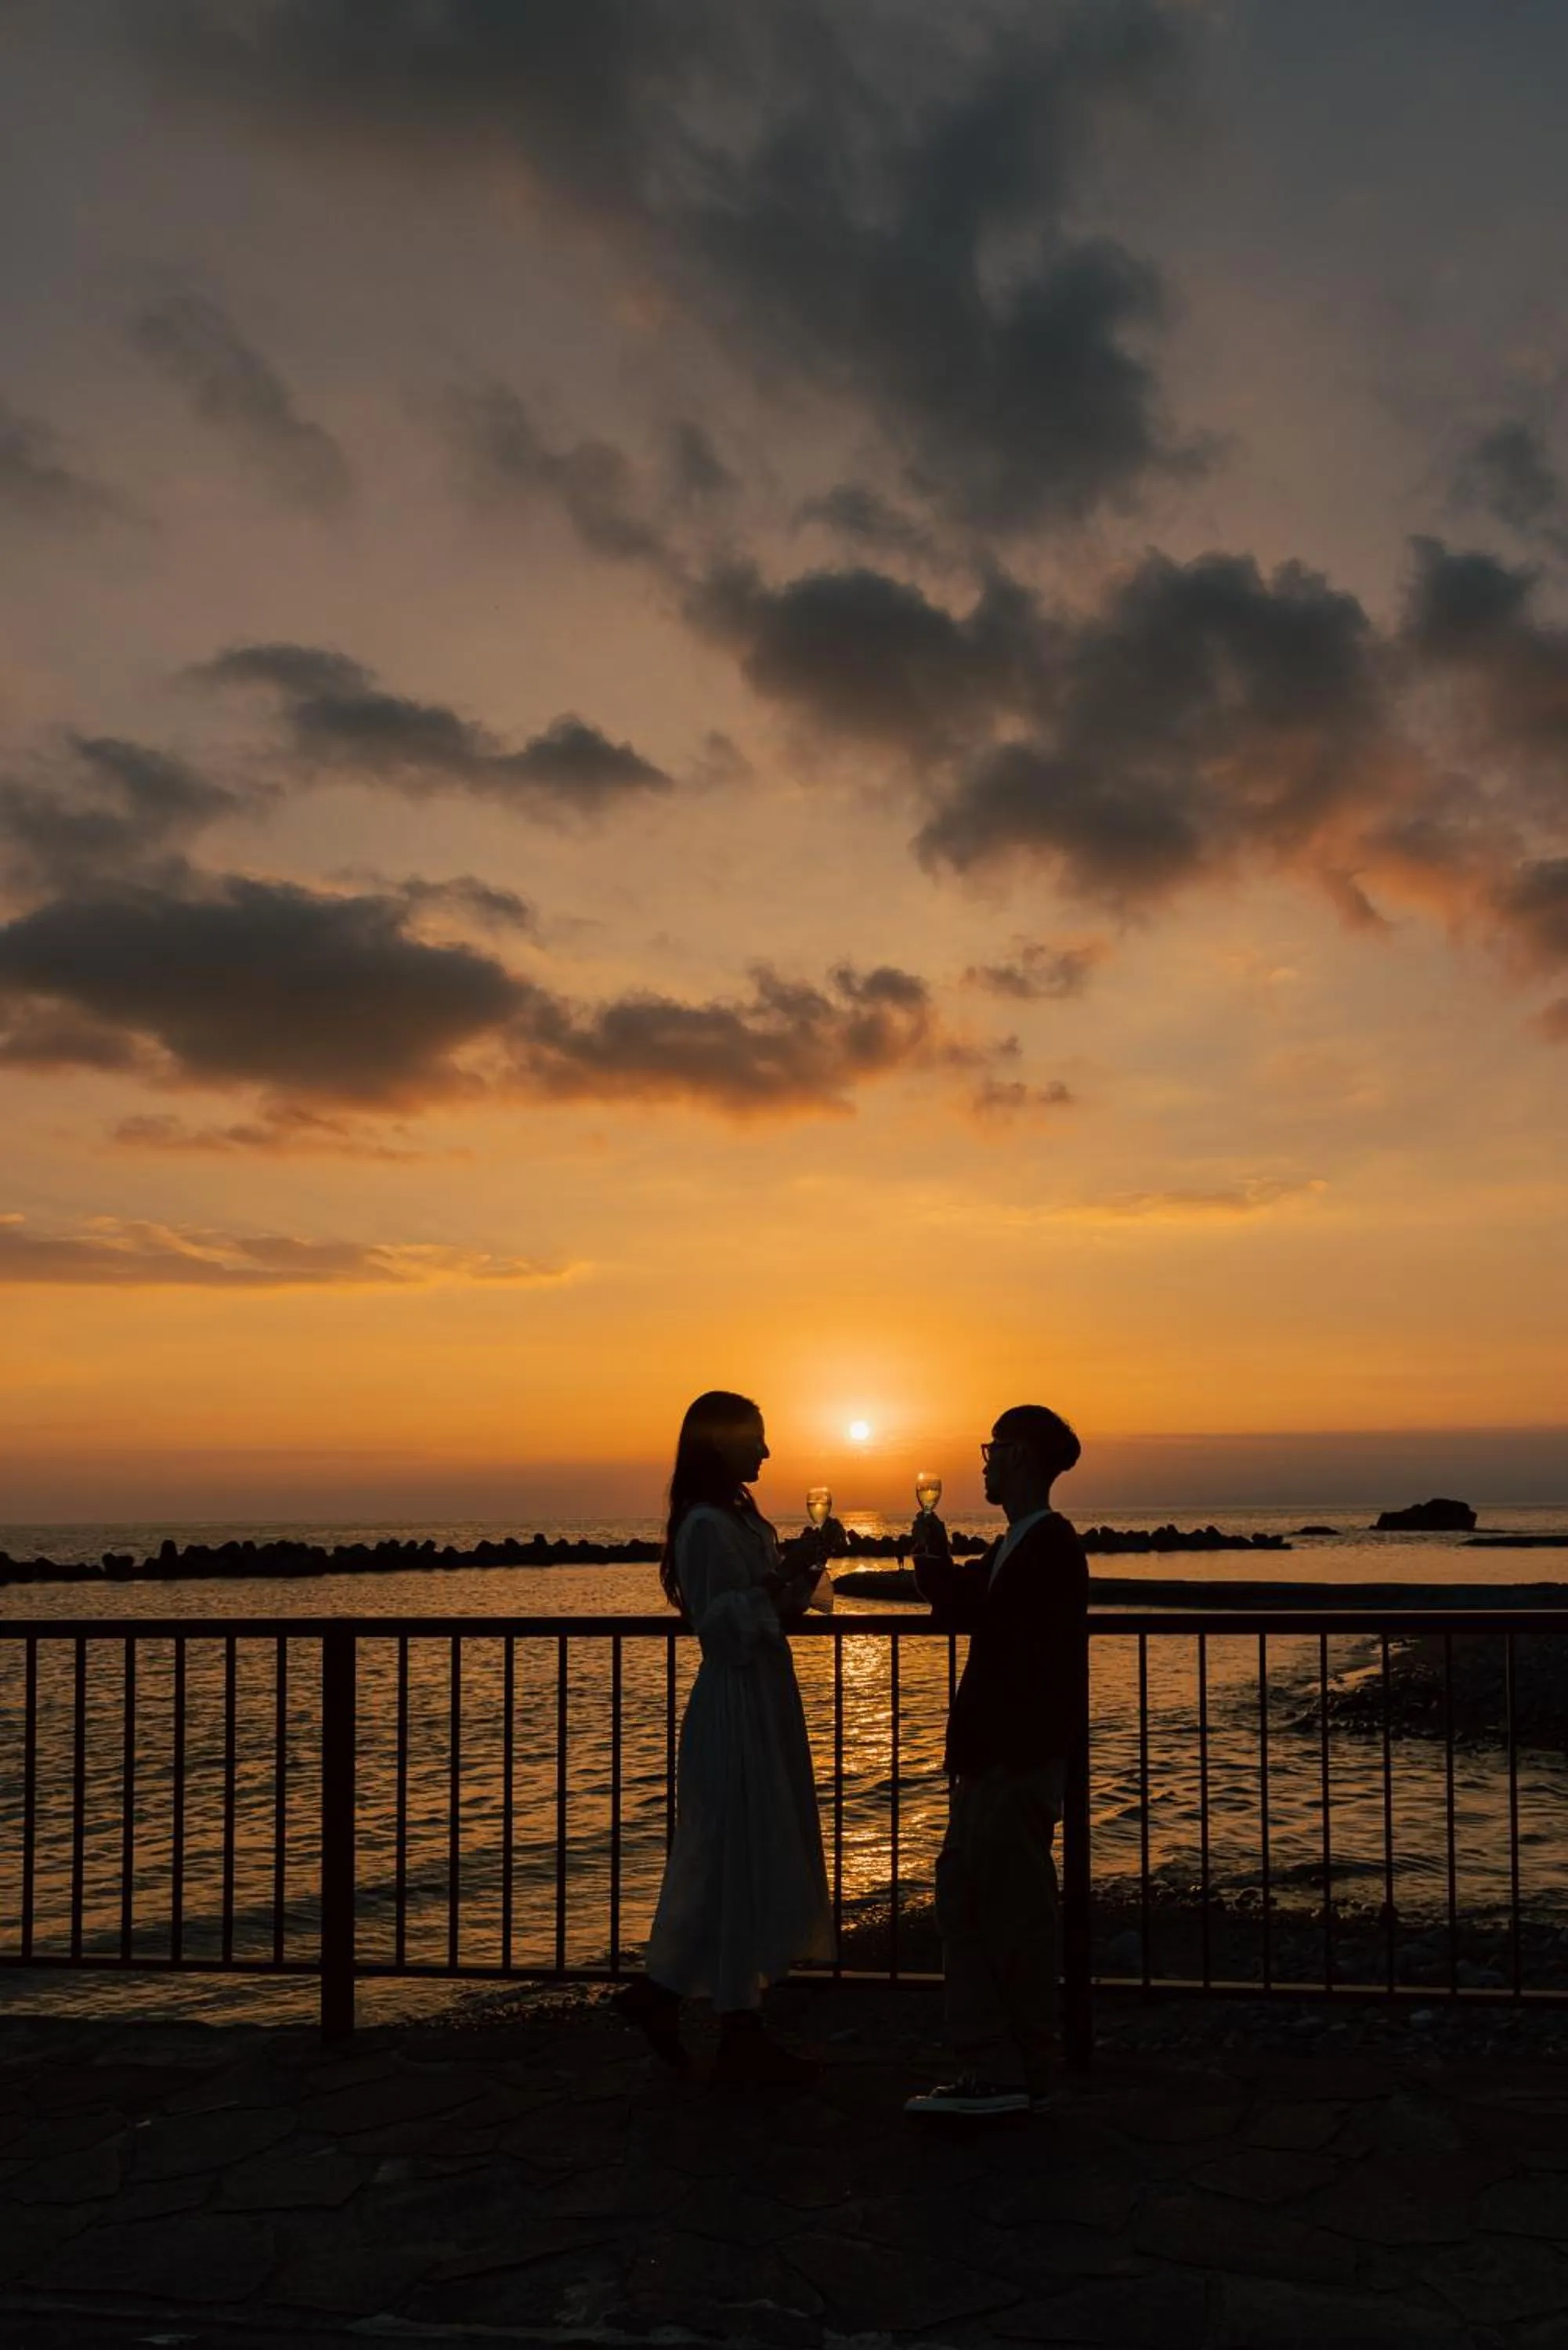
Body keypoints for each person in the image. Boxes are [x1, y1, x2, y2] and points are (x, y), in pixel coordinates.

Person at [613, 1390, 840, 2088]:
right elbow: (719, 1625)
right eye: (755, 1437)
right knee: (730, 1851)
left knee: (745, 1852)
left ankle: (696, 2009)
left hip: (764, 1696)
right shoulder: (707, 1525)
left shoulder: (740, 1517)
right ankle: (712, 2019)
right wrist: (785, 1568)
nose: (767, 1451)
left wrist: (806, 1563)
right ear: (719, 1442)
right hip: (735, 1700)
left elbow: (776, 1607)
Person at [904, 1404, 1089, 2119]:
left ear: (1020, 1458)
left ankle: (1013, 2070)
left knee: (1006, 1915)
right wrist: (930, 1557)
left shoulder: (1049, 1547)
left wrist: (1013, 1757)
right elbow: (963, 1605)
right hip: (995, 1760)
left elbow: (1016, 1646)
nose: (984, 1463)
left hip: (1011, 1761)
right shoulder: (1020, 1542)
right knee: (970, 1903)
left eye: (994, 1448)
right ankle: (996, 2064)